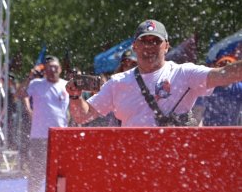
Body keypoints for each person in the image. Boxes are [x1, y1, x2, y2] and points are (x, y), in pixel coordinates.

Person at [68, 19, 242, 127]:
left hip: (175, 165)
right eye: (144, 41)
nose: (149, 46)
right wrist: (75, 96)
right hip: (132, 165)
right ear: (135, 46)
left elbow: (225, 74)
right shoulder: (117, 83)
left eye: (155, 41)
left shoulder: (185, 73)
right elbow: (83, 116)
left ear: (166, 46)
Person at [18, 55, 69, 192]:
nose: (53, 70)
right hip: (40, 135)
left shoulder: (66, 85)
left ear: (60, 68)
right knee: (38, 170)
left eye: (55, 67)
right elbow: (20, 94)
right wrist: (28, 77)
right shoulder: (36, 84)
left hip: (61, 135)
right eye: (49, 68)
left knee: (61, 170)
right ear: (45, 70)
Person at [195, 55, 242, 126]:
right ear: (217, 71)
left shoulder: (239, 88)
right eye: (223, 69)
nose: (227, 75)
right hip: (209, 130)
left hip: (231, 130)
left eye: (229, 71)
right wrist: (198, 131)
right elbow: (197, 113)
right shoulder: (207, 87)